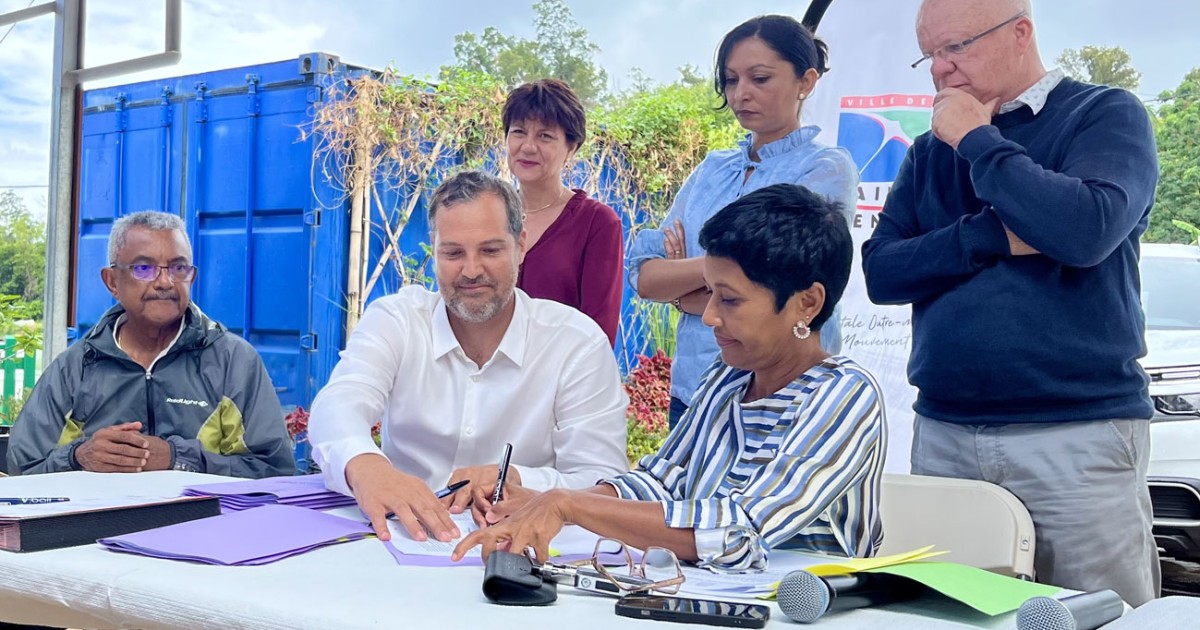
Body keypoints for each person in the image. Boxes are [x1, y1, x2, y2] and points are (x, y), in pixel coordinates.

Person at [861, 0, 1159, 606]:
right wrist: (992, 234)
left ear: (1020, 33)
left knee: (1100, 614)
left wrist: (978, 140)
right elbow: (882, 272)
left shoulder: (1103, 114)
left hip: (1077, 431)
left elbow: (1084, 229)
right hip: (945, 430)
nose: (939, 69)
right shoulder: (929, 151)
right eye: (929, 54)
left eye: (955, 47)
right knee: (950, 614)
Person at [454, 184, 886, 571]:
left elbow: (739, 530)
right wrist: (543, 501)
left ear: (807, 303)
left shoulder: (844, 396)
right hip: (702, 600)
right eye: (710, 292)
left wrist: (569, 505)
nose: (710, 316)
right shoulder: (729, 378)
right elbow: (659, 482)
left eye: (730, 300)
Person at [308, 170, 628, 544]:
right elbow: (338, 406)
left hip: (524, 553)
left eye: (490, 250)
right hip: (400, 542)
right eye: (453, 253)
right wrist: (366, 466)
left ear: (520, 246)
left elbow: (602, 480)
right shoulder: (397, 320)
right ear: (434, 249)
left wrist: (518, 478)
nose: (472, 270)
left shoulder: (576, 343)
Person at [626, 15, 858, 428]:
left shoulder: (825, 168)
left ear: (805, 81)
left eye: (760, 78)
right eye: (731, 80)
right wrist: (728, 281)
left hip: (781, 394)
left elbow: (786, 289)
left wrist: (687, 292)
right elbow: (645, 278)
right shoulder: (712, 169)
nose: (740, 94)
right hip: (693, 390)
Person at [7, 211, 294, 478]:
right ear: (112, 281)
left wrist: (177, 458)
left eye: (178, 268)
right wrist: (78, 457)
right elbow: (22, 470)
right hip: (101, 516)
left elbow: (275, 471)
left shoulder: (232, 361)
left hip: (202, 518)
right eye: (144, 268)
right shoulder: (76, 368)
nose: (165, 282)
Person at [504, 79, 624, 347]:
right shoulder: (490, 214)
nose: (528, 146)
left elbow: (598, 334)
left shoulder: (597, 223)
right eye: (519, 132)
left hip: (562, 371)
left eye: (545, 136)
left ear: (571, 147)